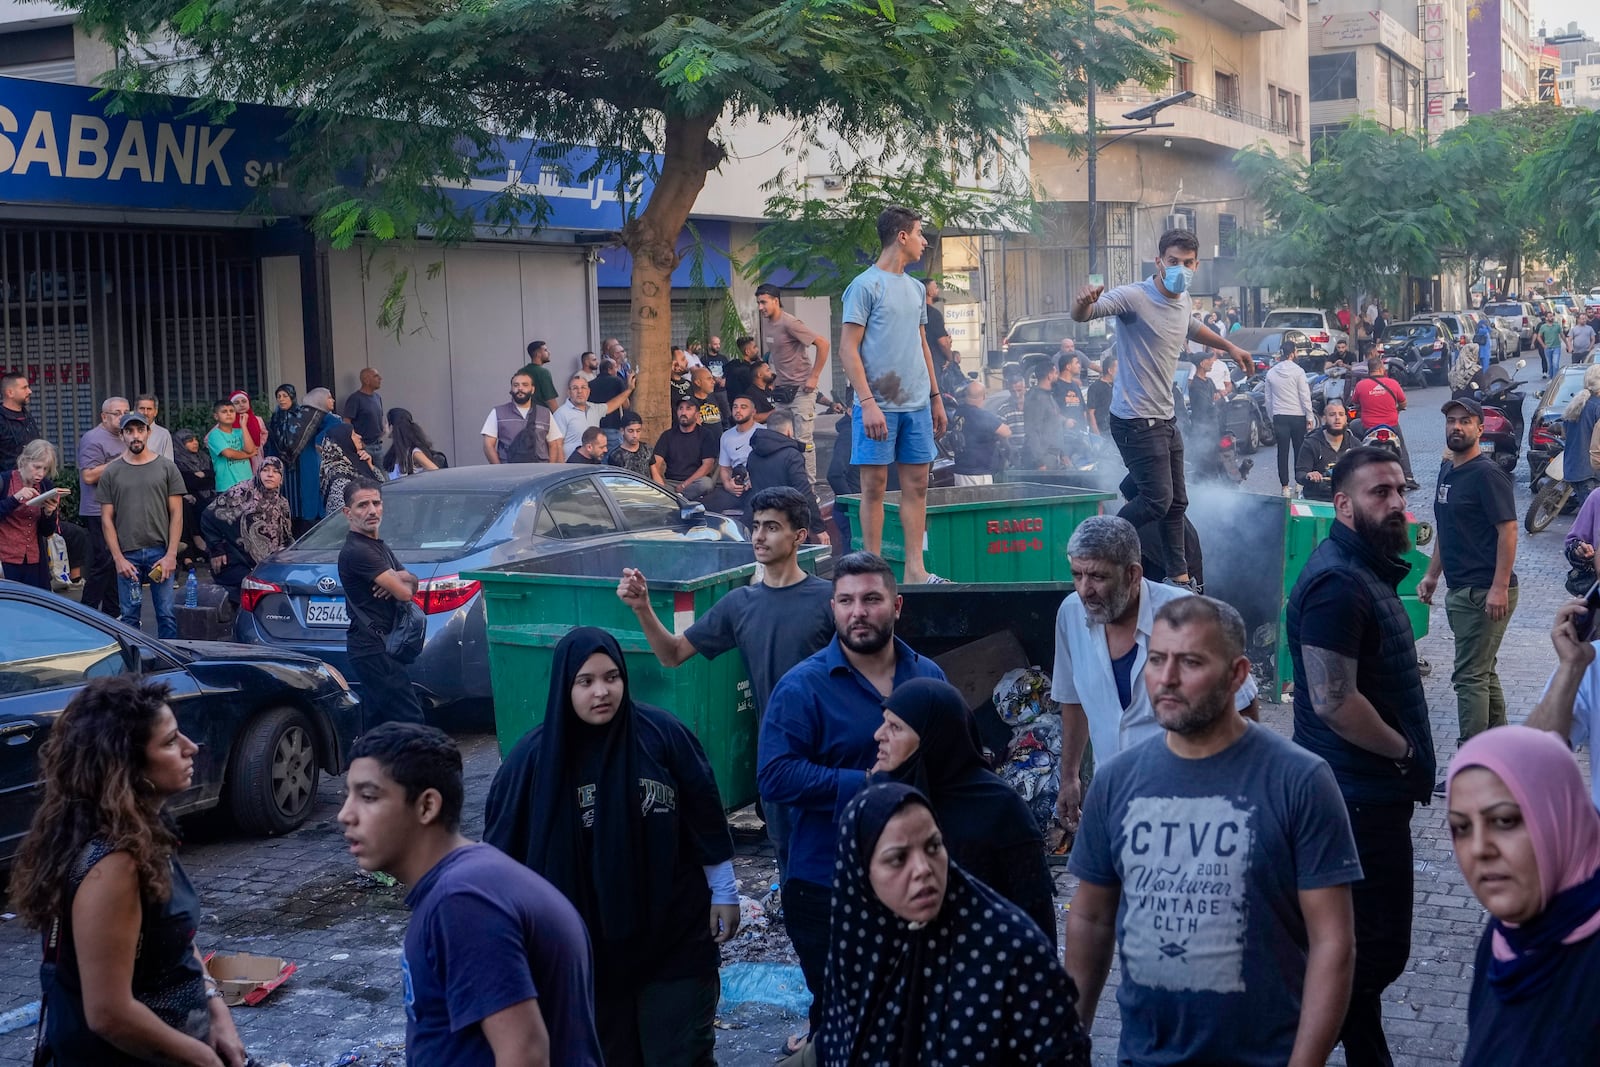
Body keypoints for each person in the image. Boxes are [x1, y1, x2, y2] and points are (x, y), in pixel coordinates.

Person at [1065, 595, 1360, 1067]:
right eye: (1157, 659)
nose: (1167, 679)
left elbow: (1334, 943)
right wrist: (1068, 1040)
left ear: (1238, 675)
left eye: (1191, 662)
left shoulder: (1300, 781)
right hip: (1143, 1056)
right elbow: (1090, 919)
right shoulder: (1116, 781)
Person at [484, 628, 736, 1067]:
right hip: (580, 958)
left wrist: (725, 889)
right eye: (586, 681)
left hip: (671, 940)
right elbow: (499, 861)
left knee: (679, 1056)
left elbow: (704, 814)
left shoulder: (662, 736)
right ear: (565, 685)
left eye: (612, 677)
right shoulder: (532, 762)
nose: (602, 691)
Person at [10, 676, 247, 1067]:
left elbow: (173, 936)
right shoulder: (114, 866)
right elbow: (108, 1013)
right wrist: (200, 1057)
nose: (191, 747)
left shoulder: (144, 830)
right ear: (128, 767)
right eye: (170, 742)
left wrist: (215, 1007)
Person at [1286, 446, 1436, 1067]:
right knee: (1374, 949)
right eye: (1380, 493)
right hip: (1355, 799)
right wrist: (1403, 753)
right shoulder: (1338, 584)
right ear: (1343, 505)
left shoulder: (1366, 569)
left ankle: (1367, 1055)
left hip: (1367, 794)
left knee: (1358, 948)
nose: (1396, 502)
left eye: (1400, 490)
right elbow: (1332, 701)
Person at [757, 552, 947, 1036]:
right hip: (828, 885)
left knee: (915, 1016)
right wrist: (865, 787)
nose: (857, 611)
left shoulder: (928, 678)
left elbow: (953, 764)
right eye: (845, 601)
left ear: (897, 605)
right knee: (844, 1024)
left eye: (871, 599)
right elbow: (775, 777)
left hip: (916, 882)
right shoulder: (802, 688)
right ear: (833, 609)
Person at [338, 723, 603, 1066]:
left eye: (368, 796)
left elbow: (525, 1054)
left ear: (426, 806)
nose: (345, 814)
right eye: (348, 795)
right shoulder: (468, 882)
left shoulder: (462, 902)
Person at [622, 484, 832, 873]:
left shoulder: (830, 600)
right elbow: (672, 655)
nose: (758, 536)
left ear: (799, 537)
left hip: (833, 758)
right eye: (755, 526)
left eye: (771, 527)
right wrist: (643, 608)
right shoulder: (740, 604)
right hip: (779, 761)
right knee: (792, 870)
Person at [814, 782, 1091, 1067]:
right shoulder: (859, 944)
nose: (923, 869)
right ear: (861, 874)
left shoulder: (1011, 952)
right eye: (898, 859)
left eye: (934, 846)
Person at [1071, 228, 1253, 590]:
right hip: (1135, 419)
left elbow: (1192, 326)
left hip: (1165, 417)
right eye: (1173, 262)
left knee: (1177, 503)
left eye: (1187, 263)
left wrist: (1230, 348)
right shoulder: (1135, 297)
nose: (1180, 269)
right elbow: (1084, 315)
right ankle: (1100, 546)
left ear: (1196, 265)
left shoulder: (1183, 299)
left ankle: (1180, 577)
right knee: (1157, 500)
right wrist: (1084, 301)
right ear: (1159, 261)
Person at [1051, 515, 1259, 830]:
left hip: (1190, 807)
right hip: (1115, 803)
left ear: (1133, 574)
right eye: (1076, 575)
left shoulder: (1187, 613)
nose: (1084, 590)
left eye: (1097, 577)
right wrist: (1069, 777)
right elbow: (1073, 701)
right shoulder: (1070, 614)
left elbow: (1244, 704)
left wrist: (1241, 790)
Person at [1444, 726, 1600, 1066]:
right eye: (1461, 827)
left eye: (1504, 820)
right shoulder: (1505, 937)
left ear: (1559, 818)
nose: (1480, 849)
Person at [871, 679, 1056, 941]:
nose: (878, 735)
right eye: (884, 722)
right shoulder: (880, 798)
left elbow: (1037, 918)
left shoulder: (999, 808)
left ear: (931, 738)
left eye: (895, 727)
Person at [837, 207, 946, 584]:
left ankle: (916, 570)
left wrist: (936, 396)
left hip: (917, 403)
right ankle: (871, 572)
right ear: (902, 236)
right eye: (919, 233)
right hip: (877, 406)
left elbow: (922, 345)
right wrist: (867, 403)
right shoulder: (864, 286)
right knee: (874, 488)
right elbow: (847, 350)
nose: (924, 241)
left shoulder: (917, 290)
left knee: (917, 486)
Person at [1417, 397, 1519, 765]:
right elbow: (1447, 528)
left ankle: (1472, 763)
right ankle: (1501, 754)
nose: (1456, 427)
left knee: (1469, 677)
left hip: (1484, 590)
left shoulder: (1486, 475)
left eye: (1465, 421)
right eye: (1451, 421)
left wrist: (1499, 586)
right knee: (1483, 672)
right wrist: (1431, 574)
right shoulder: (1449, 470)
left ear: (1480, 428)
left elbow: (1508, 530)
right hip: (1461, 589)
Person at [337, 480, 425, 729]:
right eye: (362, 505)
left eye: (376, 503)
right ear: (348, 513)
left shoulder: (377, 546)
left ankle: (368, 767)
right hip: (373, 648)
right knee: (410, 719)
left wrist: (404, 579)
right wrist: (400, 581)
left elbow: (410, 584)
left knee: (379, 723)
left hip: (383, 646)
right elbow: (405, 593)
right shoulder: (358, 551)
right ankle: (412, 767)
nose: (372, 510)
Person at [98, 412, 185, 639]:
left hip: (160, 553)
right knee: (128, 618)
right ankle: (134, 670)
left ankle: (172, 669)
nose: (135, 436)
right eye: (129, 431)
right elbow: (106, 518)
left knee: (166, 615)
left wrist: (171, 555)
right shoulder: (112, 472)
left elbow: (177, 513)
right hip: (128, 556)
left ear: (148, 432)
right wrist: (118, 558)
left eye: (139, 430)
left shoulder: (167, 467)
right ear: (122, 435)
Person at [756, 283, 831, 487]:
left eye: (763, 302)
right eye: (758, 303)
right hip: (782, 390)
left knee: (803, 439)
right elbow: (778, 354)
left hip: (802, 390)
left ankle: (808, 488)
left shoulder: (790, 323)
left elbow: (823, 344)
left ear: (775, 301)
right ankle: (784, 481)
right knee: (778, 436)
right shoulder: (767, 323)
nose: (760, 307)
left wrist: (814, 376)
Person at [200, 457, 292, 599]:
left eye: (275, 471)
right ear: (258, 472)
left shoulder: (282, 504)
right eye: (265, 470)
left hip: (267, 567)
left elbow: (286, 538)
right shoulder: (241, 493)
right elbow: (208, 516)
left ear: (281, 478)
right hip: (236, 564)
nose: (270, 475)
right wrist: (216, 549)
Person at [77, 396, 129, 616]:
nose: (122, 417)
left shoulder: (125, 435)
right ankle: (87, 612)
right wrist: (124, 458)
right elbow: (89, 476)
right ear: (103, 416)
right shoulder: (93, 438)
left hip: (121, 508)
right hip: (97, 509)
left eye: (126, 412)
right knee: (103, 562)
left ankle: (112, 613)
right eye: (117, 413)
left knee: (116, 563)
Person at [741, 412, 826, 533]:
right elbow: (804, 493)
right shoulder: (792, 455)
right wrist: (819, 528)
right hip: (784, 523)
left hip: (756, 521)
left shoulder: (753, 454)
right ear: (789, 431)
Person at [0, 437, 62, 589]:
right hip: (5, 559)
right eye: (37, 467)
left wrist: (49, 513)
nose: (41, 473)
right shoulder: (5, 480)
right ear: (24, 461)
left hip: (33, 559)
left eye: (45, 469)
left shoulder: (45, 486)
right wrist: (14, 499)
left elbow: (46, 532)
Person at [1351, 356, 1418, 488]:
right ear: (1382, 369)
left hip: (1368, 426)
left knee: (1353, 430)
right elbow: (1403, 403)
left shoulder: (1361, 385)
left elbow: (1355, 402)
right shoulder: (1393, 383)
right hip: (1391, 425)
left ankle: (1356, 470)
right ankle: (1408, 476)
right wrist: (1397, 409)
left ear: (1369, 371)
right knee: (1401, 447)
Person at [552, 371, 635, 463]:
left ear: (588, 391)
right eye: (575, 388)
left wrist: (629, 390)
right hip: (572, 467)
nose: (580, 391)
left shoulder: (594, 409)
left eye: (583, 388)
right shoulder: (561, 413)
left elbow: (612, 404)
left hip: (593, 464)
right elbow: (557, 445)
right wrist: (562, 469)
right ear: (569, 392)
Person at [1268, 338, 1315, 497]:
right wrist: (1310, 416)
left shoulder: (1271, 372)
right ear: (1293, 353)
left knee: (1282, 452)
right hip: (1297, 416)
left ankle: (1284, 486)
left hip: (1279, 416)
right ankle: (1299, 484)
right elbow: (1304, 396)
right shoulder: (1298, 371)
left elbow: (1268, 399)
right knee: (1299, 450)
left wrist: (1271, 416)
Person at [702, 394, 762, 511]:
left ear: (753, 412)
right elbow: (725, 468)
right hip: (736, 484)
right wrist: (728, 485)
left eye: (743, 407)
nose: (738, 410)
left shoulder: (763, 433)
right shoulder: (726, 436)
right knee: (703, 507)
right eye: (735, 407)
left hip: (757, 486)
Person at [651, 396, 718, 500]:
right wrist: (661, 486)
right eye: (680, 408)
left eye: (688, 408)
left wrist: (684, 485)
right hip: (670, 483)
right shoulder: (668, 435)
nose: (683, 412)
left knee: (706, 484)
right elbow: (655, 463)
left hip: (694, 482)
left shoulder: (705, 435)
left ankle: (675, 499)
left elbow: (707, 465)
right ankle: (678, 498)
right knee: (653, 487)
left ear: (697, 414)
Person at [483, 370, 552, 464]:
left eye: (525, 385)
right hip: (510, 472)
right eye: (516, 385)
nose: (520, 388)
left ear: (532, 389)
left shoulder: (545, 413)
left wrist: (550, 471)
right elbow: (488, 445)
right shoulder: (497, 412)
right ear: (511, 389)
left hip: (540, 472)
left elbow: (555, 444)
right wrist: (499, 469)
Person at [949, 379, 1010, 485]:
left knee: (965, 501)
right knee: (982, 501)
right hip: (978, 474)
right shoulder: (980, 415)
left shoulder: (959, 412)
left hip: (960, 471)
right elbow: (1006, 432)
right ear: (984, 396)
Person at [1297, 397, 1353, 500]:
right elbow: (1300, 473)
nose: (1337, 418)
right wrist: (1309, 475)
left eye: (1341, 414)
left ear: (1345, 419)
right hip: (1316, 498)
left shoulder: (1354, 444)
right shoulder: (1311, 443)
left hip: (1348, 501)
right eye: (1332, 415)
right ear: (1324, 419)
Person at [172, 430, 214, 567]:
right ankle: (193, 548)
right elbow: (189, 482)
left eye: (195, 439)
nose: (195, 443)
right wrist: (202, 477)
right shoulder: (177, 461)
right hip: (190, 498)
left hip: (207, 495)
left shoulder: (204, 457)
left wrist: (201, 477)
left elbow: (212, 478)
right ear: (180, 444)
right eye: (189, 441)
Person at [318, 422, 381, 514]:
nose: (359, 437)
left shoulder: (356, 462)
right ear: (345, 441)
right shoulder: (339, 476)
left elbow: (384, 487)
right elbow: (343, 515)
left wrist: (370, 466)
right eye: (354, 435)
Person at [1024, 359, 1068, 470]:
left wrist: (1062, 454)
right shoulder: (1036, 398)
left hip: (1053, 456)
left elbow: (1054, 425)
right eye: (1055, 373)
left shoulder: (1048, 396)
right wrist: (1039, 462)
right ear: (1049, 375)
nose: (1057, 376)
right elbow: (1032, 431)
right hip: (1043, 459)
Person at [205, 400, 255, 494]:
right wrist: (249, 455)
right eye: (224, 411)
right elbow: (229, 453)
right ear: (216, 416)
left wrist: (243, 426)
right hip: (227, 486)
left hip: (248, 484)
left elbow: (250, 449)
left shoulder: (240, 431)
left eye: (232, 411)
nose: (229, 414)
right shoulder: (214, 435)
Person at [380, 407, 441, 478]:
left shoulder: (414, 452)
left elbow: (435, 471)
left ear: (392, 427)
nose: (384, 427)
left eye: (386, 423)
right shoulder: (397, 451)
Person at [0, 371, 39, 473]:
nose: (29, 391)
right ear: (10, 393)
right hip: (7, 484)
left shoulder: (28, 417)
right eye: (24, 388)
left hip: (32, 480)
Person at [605, 412, 661, 483]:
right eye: (630, 431)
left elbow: (655, 474)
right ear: (622, 431)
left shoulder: (647, 449)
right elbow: (613, 481)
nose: (635, 435)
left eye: (638, 431)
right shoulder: (615, 455)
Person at [590, 357, 629, 450]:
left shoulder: (590, 384)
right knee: (614, 457)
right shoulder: (617, 381)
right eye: (615, 367)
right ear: (609, 370)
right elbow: (626, 405)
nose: (617, 370)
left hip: (595, 427)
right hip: (613, 427)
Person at [339, 369, 384, 447]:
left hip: (378, 445)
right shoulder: (355, 399)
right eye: (376, 376)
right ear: (366, 380)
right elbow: (347, 422)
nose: (380, 379)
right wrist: (358, 442)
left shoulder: (377, 397)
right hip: (364, 446)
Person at [517, 340, 563, 412]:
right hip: (541, 415)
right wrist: (559, 417)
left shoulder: (520, 372)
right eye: (545, 350)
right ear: (538, 354)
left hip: (523, 413)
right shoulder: (543, 373)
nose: (549, 352)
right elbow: (550, 400)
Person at [227, 390, 267, 474]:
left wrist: (260, 445)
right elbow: (209, 439)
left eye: (244, 401)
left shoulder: (258, 419)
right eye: (237, 403)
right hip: (238, 459)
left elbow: (264, 433)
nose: (241, 405)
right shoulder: (227, 421)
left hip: (256, 456)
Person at [687, 365, 730, 437]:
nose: (713, 382)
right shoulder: (690, 404)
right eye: (709, 379)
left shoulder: (713, 398)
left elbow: (722, 421)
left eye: (713, 378)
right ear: (698, 383)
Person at [995, 370, 1028, 458]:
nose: (1017, 395)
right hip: (1013, 454)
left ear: (1025, 388)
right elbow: (1001, 436)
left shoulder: (1034, 406)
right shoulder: (1003, 410)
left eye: (1019, 390)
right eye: (1013, 391)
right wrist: (1011, 449)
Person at [132, 395, 173, 460]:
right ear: (135, 410)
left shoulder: (163, 434)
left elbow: (169, 463)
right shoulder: (128, 433)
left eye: (149, 409)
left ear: (155, 412)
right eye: (142, 408)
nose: (145, 413)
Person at [1053, 350, 1086, 428]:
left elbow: (1083, 409)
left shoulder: (1075, 386)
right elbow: (1051, 411)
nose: (1079, 366)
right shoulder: (1055, 386)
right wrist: (1064, 421)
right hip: (1063, 434)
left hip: (1079, 433)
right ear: (1068, 367)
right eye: (1077, 363)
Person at [1086, 354, 1115, 435]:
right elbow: (1091, 412)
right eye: (1117, 368)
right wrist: (1097, 434)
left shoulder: (1118, 386)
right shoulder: (1095, 387)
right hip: (1102, 431)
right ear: (1110, 371)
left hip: (1116, 430)